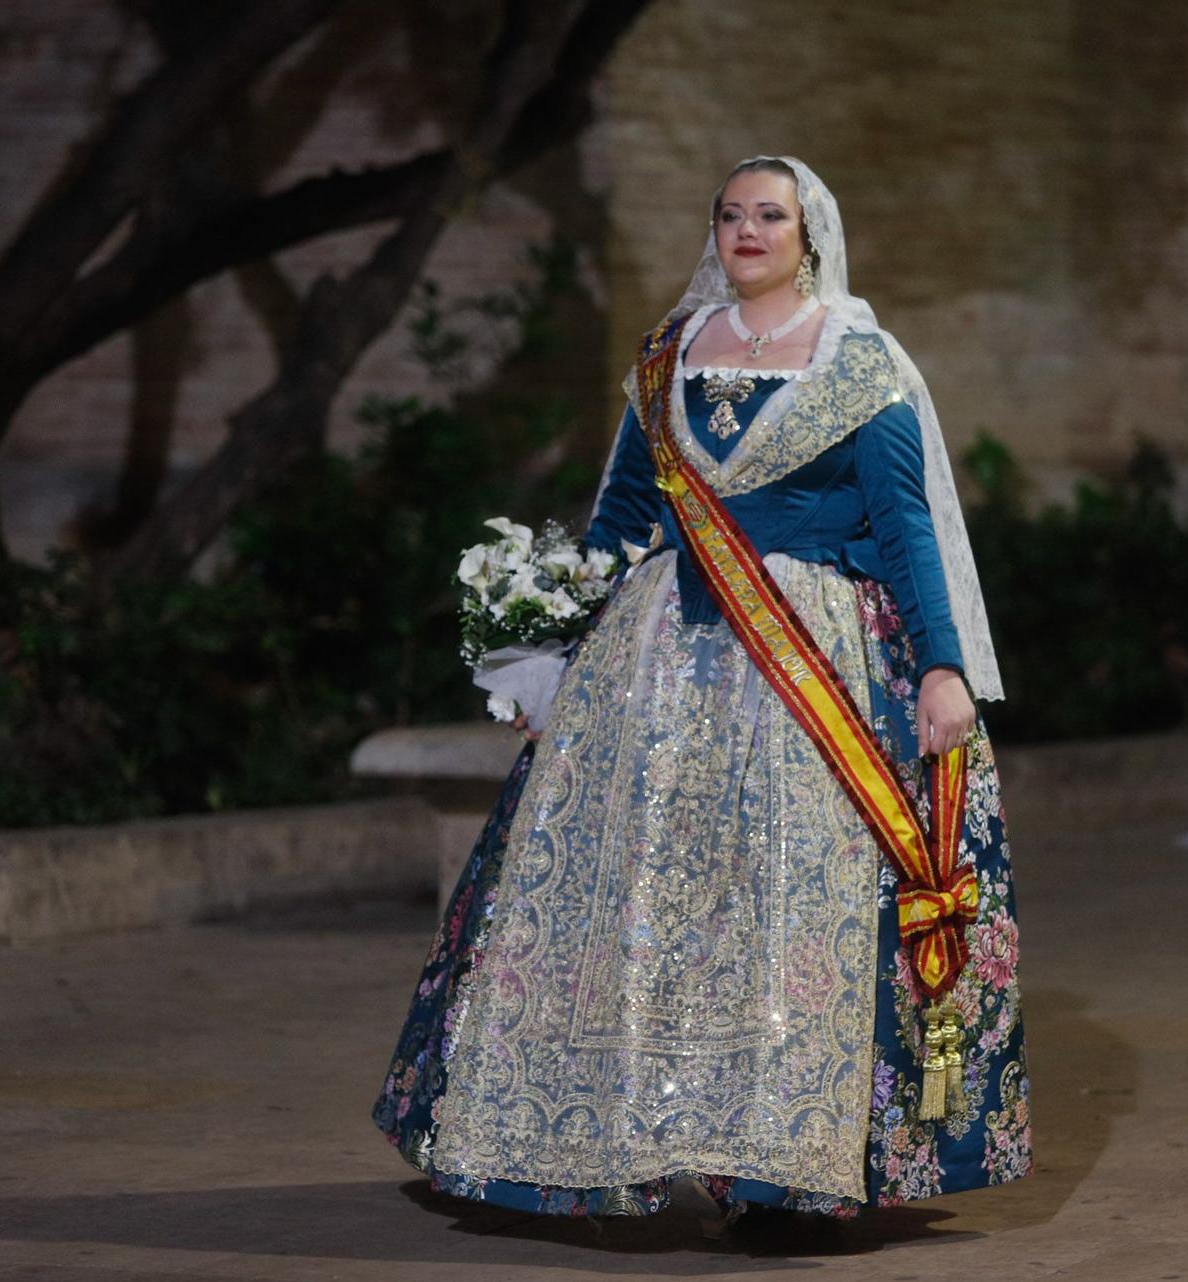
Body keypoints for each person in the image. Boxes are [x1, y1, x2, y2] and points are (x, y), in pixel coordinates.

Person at [373, 156, 1030, 1220]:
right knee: (638, 905)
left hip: (811, 662)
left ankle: (775, 1168)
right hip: (653, 669)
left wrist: (943, 663)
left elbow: (905, 525)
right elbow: (623, 517)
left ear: (808, 232)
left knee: (783, 906)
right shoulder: (667, 359)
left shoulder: (859, 367)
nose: (746, 231)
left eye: (768, 215)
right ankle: (582, 1145)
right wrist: (552, 643)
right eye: (729, 215)